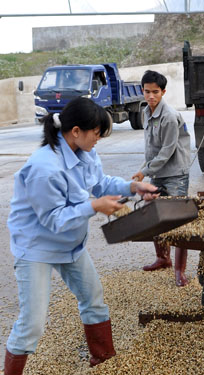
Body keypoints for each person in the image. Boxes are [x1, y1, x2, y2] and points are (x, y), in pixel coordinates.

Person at [4, 97, 159, 374]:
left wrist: (133, 186)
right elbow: (53, 220)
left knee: (93, 298)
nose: (98, 139)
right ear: (76, 131)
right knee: (33, 322)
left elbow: (100, 183)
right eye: (97, 133)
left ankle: (104, 361)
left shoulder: (85, 153)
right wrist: (94, 206)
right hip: (37, 247)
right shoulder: (44, 168)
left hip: (70, 243)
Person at [132, 70, 191, 287]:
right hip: (157, 172)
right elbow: (151, 148)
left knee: (177, 220)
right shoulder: (145, 112)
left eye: (155, 92)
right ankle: (162, 258)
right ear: (142, 91)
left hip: (175, 173)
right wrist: (145, 170)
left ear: (163, 92)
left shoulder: (169, 116)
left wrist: (144, 171)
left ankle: (179, 270)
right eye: (147, 92)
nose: (151, 96)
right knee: (155, 214)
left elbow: (166, 151)